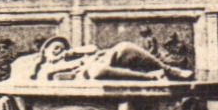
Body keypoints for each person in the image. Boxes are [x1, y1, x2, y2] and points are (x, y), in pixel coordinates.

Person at [31, 36, 193, 81]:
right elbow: (50, 77)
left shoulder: (69, 55)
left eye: (61, 47)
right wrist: (77, 65)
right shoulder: (43, 67)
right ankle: (149, 76)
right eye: (55, 47)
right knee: (96, 71)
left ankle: (170, 70)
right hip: (86, 74)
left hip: (99, 61)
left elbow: (93, 49)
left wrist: (71, 53)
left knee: (125, 47)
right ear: (45, 52)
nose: (59, 49)